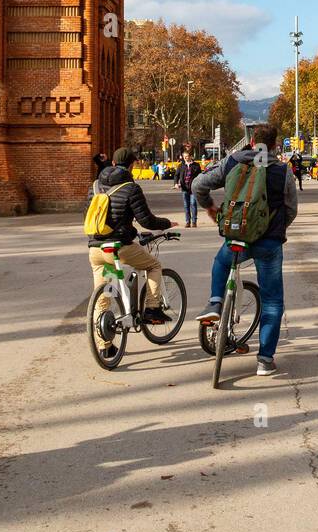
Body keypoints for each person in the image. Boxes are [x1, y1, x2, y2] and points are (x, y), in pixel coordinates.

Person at [192, 124, 297, 377]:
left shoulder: (232, 162)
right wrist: (274, 226)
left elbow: (198, 185)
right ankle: (264, 360)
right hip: (269, 242)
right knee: (272, 299)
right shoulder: (283, 171)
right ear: (274, 145)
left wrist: (210, 207)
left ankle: (215, 303)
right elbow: (291, 209)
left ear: (251, 143)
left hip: (237, 235)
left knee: (221, 262)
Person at [87, 147, 173, 325]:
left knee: (103, 294)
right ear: (132, 165)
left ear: (113, 163)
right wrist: (167, 224)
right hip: (119, 248)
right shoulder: (131, 188)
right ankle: (152, 309)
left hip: (95, 248)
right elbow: (146, 220)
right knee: (154, 266)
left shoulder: (95, 186)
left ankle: (104, 345)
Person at [176, 147, 201, 227]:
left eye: (187, 156)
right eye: (184, 157)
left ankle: (194, 221)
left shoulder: (196, 165)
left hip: (193, 188)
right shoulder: (181, 166)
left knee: (193, 203)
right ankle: (187, 222)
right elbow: (176, 176)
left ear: (190, 156)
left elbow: (200, 176)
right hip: (184, 188)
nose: (186, 158)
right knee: (186, 205)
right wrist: (176, 183)